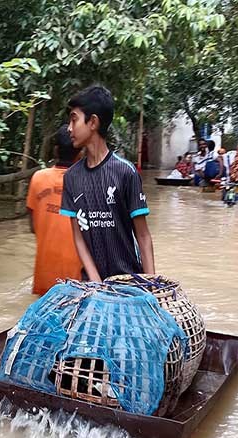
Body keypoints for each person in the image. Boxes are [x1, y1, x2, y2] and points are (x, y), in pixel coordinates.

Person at [60, 85, 154, 282]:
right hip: (92, 283)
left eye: (74, 119)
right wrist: (96, 282)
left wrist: (151, 285)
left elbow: (143, 236)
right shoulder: (71, 177)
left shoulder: (125, 172)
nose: (69, 128)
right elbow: (78, 237)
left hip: (129, 281)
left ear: (93, 122)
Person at [26, 125, 83, 295]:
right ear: (80, 154)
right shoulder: (88, 182)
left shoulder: (37, 179)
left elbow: (32, 227)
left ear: (55, 150)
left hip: (43, 278)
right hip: (76, 283)